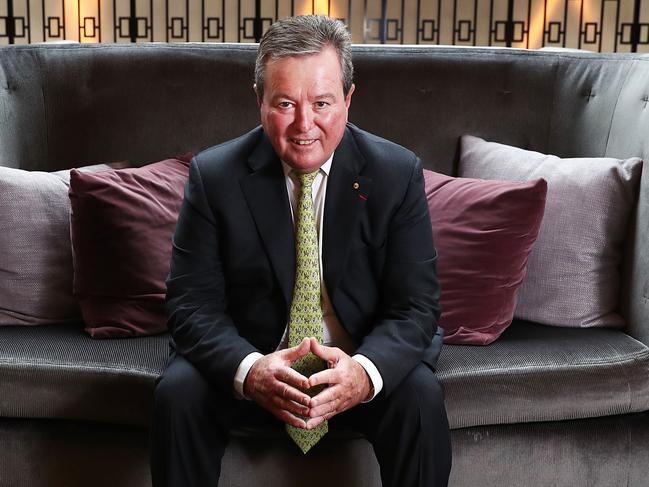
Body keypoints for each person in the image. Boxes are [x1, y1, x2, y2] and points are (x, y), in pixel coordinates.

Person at [150, 15, 451, 487]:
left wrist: (362, 374)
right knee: (178, 392)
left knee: (420, 397)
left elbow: (416, 307)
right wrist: (251, 372)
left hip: (354, 365)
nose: (304, 124)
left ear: (348, 100)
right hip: (256, 362)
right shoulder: (215, 176)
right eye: (285, 103)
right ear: (259, 100)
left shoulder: (396, 173)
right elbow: (191, 306)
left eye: (322, 103)